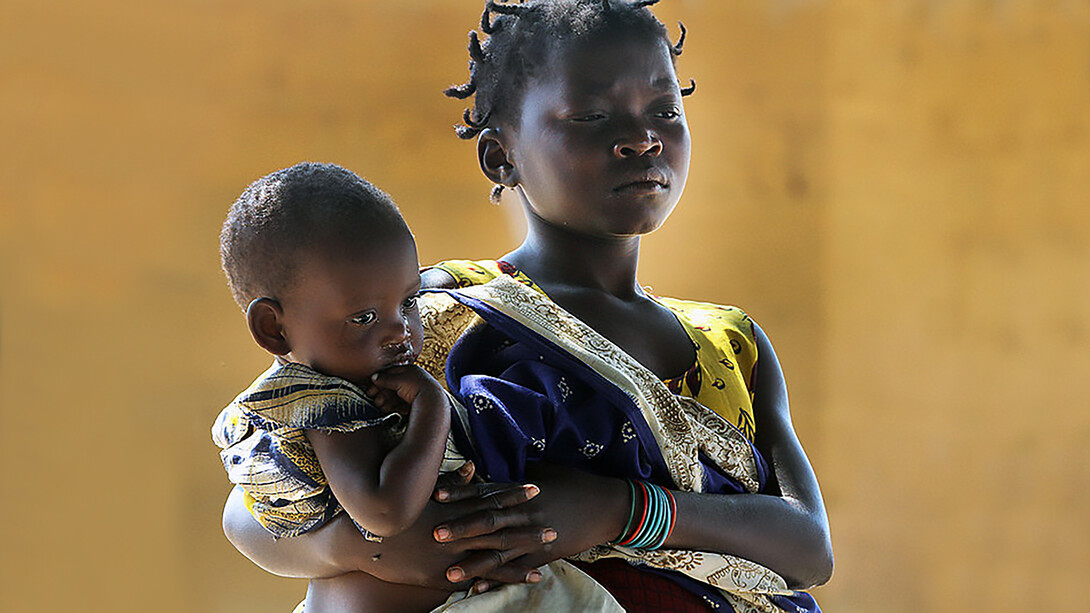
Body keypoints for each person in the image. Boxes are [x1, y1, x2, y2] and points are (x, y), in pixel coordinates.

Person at [222, 1, 834, 611]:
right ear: (501, 155)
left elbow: (809, 551)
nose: (642, 138)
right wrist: (366, 549)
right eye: (592, 115)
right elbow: (255, 504)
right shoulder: (434, 313)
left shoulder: (731, 343)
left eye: (665, 111)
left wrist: (617, 510)